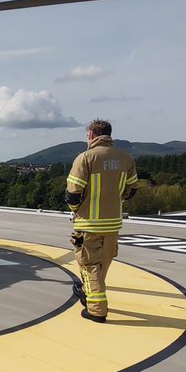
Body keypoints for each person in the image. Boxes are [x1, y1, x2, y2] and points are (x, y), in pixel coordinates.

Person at [65, 119, 137, 323]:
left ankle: (96, 309)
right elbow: (131, 190)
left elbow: (73, 193)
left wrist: (76, 211)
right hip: (113, 223)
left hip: (88, 224)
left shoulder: (85, 158)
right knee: (103, 263)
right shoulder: (125, 158)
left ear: (91, 135)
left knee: (89, 265)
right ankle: (90, 291)